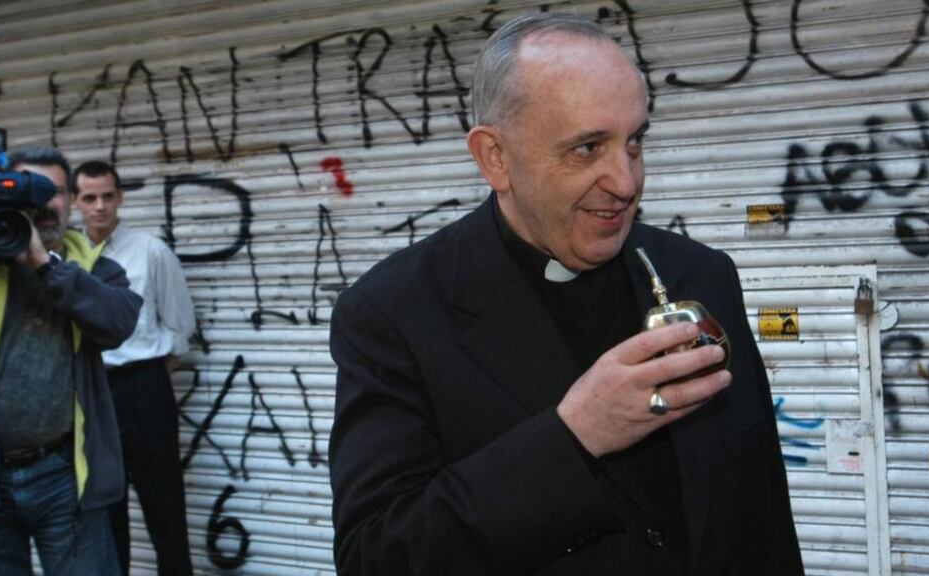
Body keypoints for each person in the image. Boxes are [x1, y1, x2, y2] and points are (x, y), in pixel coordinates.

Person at [328, 13, 804, 575]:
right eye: (587, 148)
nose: (626, 182)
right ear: (494, 158)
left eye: (634, 142)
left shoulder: (701, 274)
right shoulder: (393, 313)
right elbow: (376, 557)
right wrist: (573, 436)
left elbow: (762, 511)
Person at [0, 147, 141, 575]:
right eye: (28, 190)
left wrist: (43, 263)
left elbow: (117, 322)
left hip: (64, 476)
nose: (42, 203)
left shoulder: (94, 268)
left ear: (71, 199)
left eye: (53, 191)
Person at [71, 160, 195, 576]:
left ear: (120, 196)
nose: (100, 206)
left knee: (165, 512)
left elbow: (179, 327)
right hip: (90, 392)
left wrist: (152, 378)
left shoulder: (151, 251)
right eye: (89, 198)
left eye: (108, 196)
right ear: (75, 202)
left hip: (144, 389)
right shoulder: (65, 258)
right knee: (107, 517)